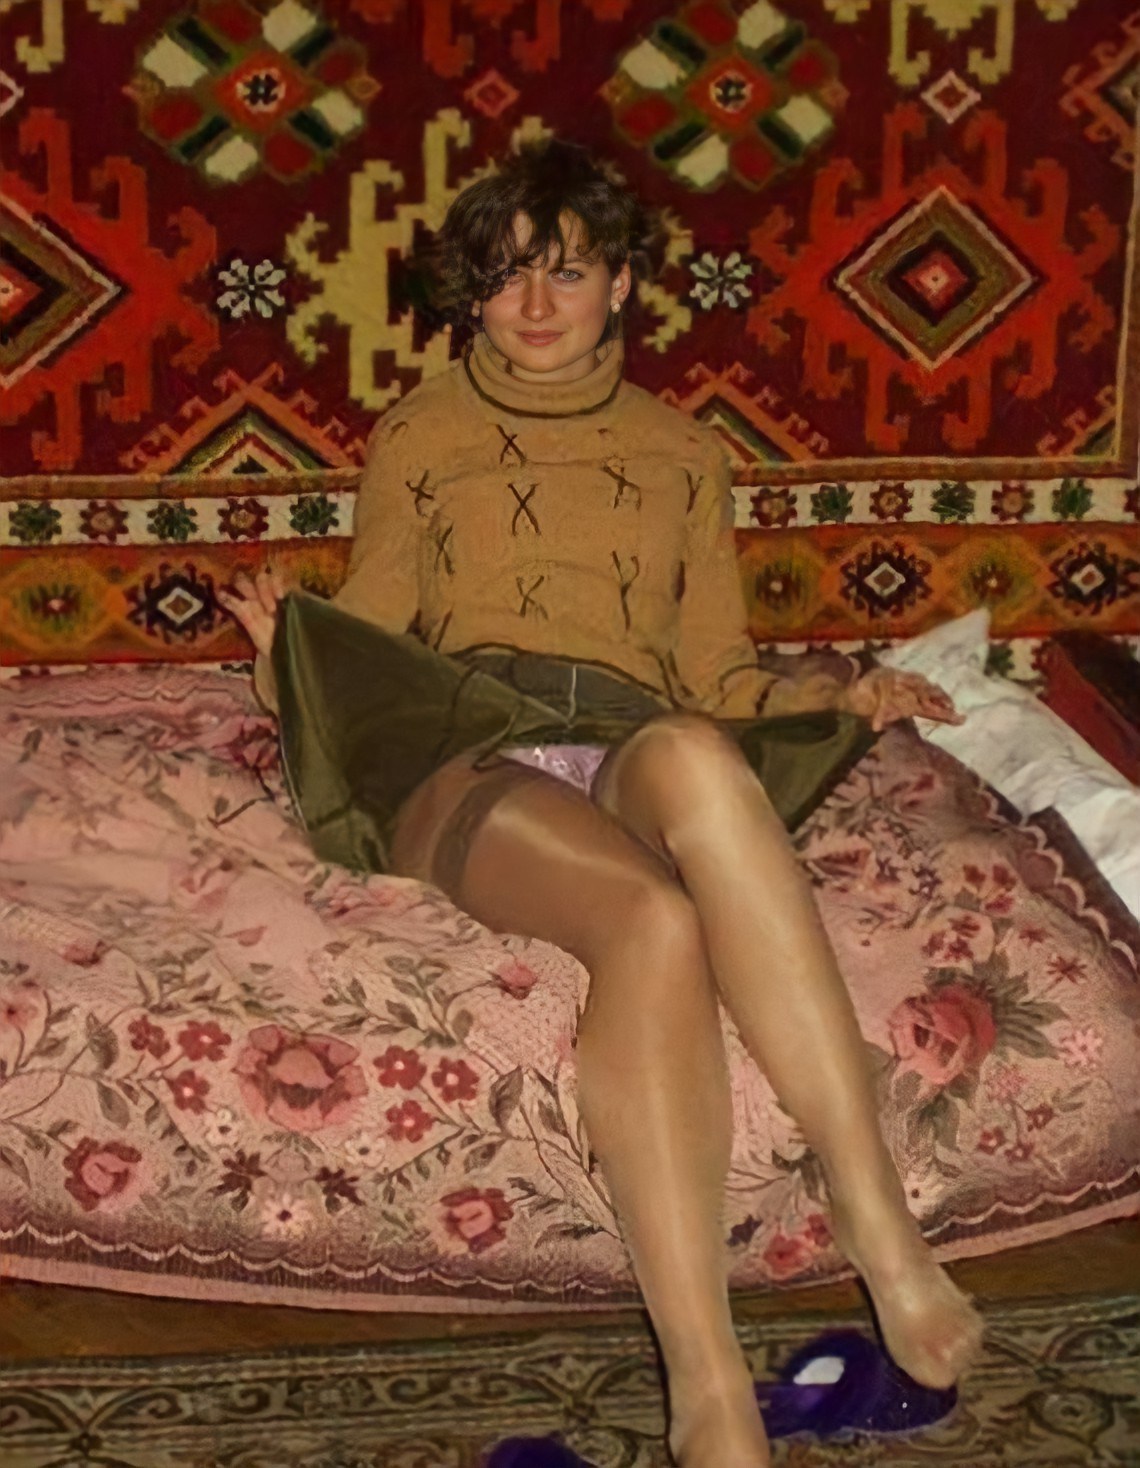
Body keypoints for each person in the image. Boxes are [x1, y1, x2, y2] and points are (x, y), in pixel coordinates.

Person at [220, 139, 982, 1468]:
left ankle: (883, 1235)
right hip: (472, 740)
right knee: (652, 920)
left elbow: (716, 675)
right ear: (471, 291)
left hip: (632, 735)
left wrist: (838, 696)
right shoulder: (422, 434)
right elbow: (378, 635)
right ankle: (709, 1391)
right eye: (506, 275)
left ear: (623, 284)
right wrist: (286, 653)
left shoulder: (686, 453)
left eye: (566, 272)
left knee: (698, 757)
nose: (534, 304)